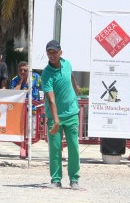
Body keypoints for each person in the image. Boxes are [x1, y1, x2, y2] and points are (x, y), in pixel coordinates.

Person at [41, 40, 80, 190]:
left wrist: (76, 89)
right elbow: (50, 99)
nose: (52, 55)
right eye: (49, 52)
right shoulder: (46, 73)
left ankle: (74, 179)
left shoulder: (67, 64)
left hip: (72, 113)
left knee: (74, 147)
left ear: (60, 52)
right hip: (55, 117)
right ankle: (56, 180)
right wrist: (56, 121)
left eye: (54, 52)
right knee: (55, 148)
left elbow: (70, 77)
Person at [10, 61, 41, 136]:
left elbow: (45, 88)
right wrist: (20, 81)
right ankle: (23, 147)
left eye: (25, 70)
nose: (22, 72)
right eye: (20, 70)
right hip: (20, 110)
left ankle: (28, 147)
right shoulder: (15, 80)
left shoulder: (36, 77)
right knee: (20, 132)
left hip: (33, 109)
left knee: (32, 133)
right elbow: (14, 93)